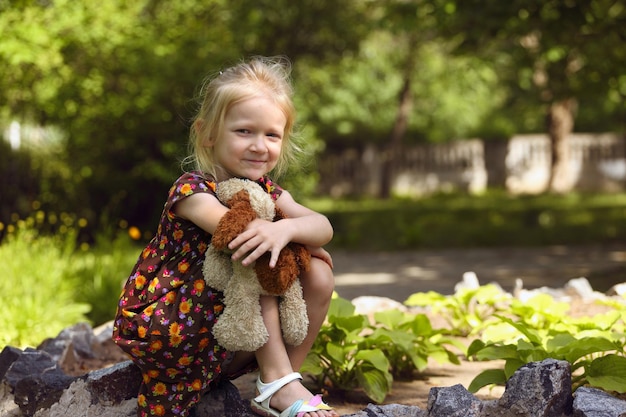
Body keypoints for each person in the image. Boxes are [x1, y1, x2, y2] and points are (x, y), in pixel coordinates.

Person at [112, 56, 338, 417]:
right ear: (208, 133)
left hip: (225, 329)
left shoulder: (269, 191)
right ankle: (279, 381)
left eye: (271, 135)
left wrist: (288, 229)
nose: (259, 145)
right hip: (169, 325)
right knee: (255, 256)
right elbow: (240, 235)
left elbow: (323, 226)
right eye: (244, 131)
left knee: (320, 274)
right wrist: (289, 242)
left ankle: (279, 383)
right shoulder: (193, 191)